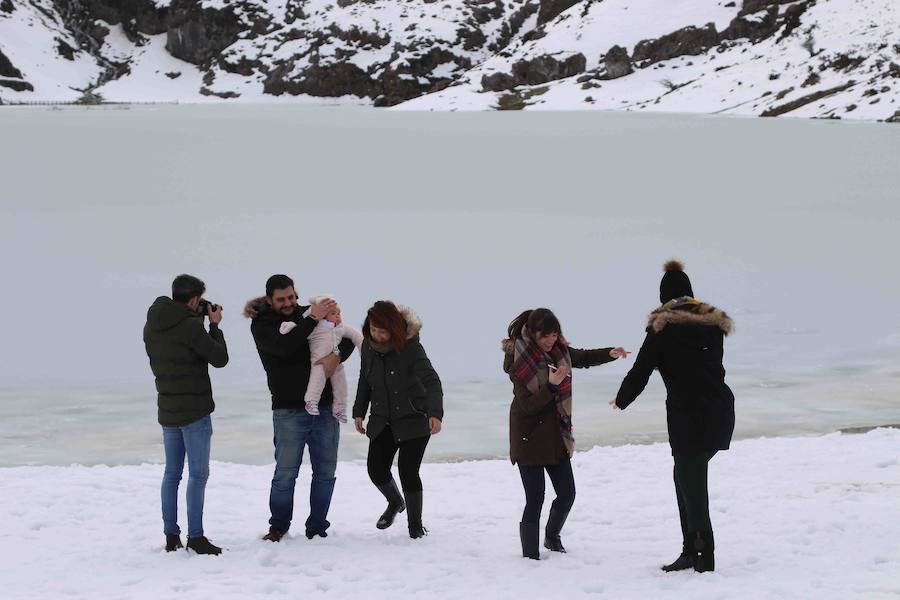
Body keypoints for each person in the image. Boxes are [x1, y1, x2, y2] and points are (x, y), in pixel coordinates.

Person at [612, 260, 735, 573]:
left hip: (689, 418)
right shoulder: (712, 326)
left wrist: (621, 399)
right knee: (684, 477)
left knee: (692, 486)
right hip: (719, 412)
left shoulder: (662, 330)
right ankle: (689, 550)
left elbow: (641, 371)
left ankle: (703, 559)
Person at [503, 308, 628, 560]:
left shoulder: (559, 352)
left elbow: (582, 357)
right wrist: (551, 386)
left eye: (554, 334)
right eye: (545, 336)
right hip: (528, 436)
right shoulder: (519, 358)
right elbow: (527, 406)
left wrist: (610, 354)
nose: (551, 340)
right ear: (533, 334)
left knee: (567, 493)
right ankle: (530, 556)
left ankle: (551, 536)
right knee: (535, 499)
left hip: (555, 434)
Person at [244, 275, 356, 542]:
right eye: (281, 299)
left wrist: (335, 358)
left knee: (326, 474)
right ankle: (278, 527)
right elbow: (285, 347)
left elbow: (346, 338)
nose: (288, 303)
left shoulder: (310, 314)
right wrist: (312, 318)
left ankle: (317, 528)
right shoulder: (263, 324)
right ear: (270, 300)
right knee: (285, 474)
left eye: (292, 297)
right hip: (288, 411)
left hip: (325, 407)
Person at [143, 274, 228, 555]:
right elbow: (219, 358)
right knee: (198, 474)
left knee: (172, 474)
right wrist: (214, 326)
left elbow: (181, 347)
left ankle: (171, 535)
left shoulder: (153, 323)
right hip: (194, 411)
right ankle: (196, 537)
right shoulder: (191, 327)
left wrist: (197, 319)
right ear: (194, 299)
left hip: (167, 409)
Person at [352, 301, 443, 539]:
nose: (377, 335)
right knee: (375, 469)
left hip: (414, 418)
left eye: (382, 331)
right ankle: (395, 502)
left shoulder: (410, 348)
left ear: (394, 329)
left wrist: (435, 413)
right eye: (373, 329)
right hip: (382, 419)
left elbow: (432, 381)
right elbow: (365, 380)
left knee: (407, 471)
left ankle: (415, 527)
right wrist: (359, 411)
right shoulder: (368, 347)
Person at [288, 295, 364, 422]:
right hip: (318, 361)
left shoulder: (341, 328)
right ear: (323, 315)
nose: (338, 316)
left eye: (339, 313)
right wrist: (287, 327)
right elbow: (297, 329)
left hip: (335, 362)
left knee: (341, 385)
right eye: (333, 313)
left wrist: (363, 351)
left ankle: (339, 409)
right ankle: (311, 401)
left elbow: (356, 336)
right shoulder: (316, 328)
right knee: (317, 379)